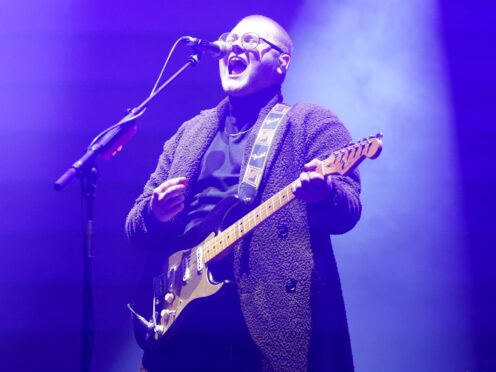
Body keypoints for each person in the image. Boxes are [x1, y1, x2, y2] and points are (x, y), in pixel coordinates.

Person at [126, 14, 361, 372]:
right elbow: (135, 225)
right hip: (177, 316)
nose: (234, 45)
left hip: (260, 317)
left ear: (282, 62)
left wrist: (324, 192)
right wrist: (155, 213)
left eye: (251, 40)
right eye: (230, 39)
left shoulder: (310, 123)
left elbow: (348, 209)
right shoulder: (189, 132)